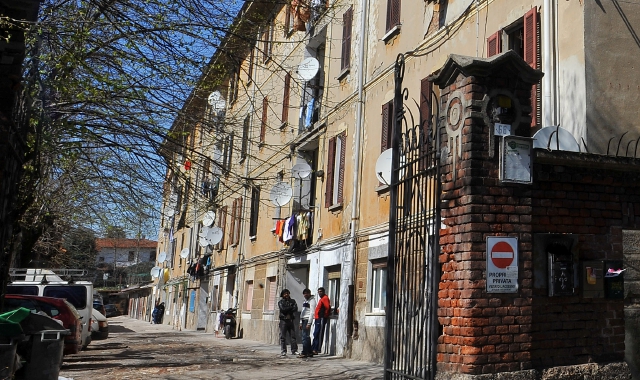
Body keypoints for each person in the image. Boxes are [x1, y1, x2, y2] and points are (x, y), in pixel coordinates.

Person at [277, 288, 298, 356]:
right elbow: (283, 310)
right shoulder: (280, 302)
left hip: (290, 320)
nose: (286, 295)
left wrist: (289, 309)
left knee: (293, 336)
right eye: (285, 293)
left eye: (287, 293)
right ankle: (283, 350)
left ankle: (294, 350)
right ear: (282, 295)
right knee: (283, 337)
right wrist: (290, 308)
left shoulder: (292, 301)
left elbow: (295, 308)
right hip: (283, 320)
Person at [311, 287, 330, 355]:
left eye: (321, 291)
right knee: (315, 333)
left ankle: (316, 349)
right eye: (319, 291)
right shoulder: (321, 299)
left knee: (318, 333)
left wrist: (324, 316)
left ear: (324, 291)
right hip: (318, 318)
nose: (320, 293)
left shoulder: (325, 298)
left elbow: (327, 308)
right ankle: (313, 348)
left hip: (321, 318)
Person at [298, 288, 316, 358]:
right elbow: (303, 312)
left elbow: (312, 312)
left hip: (307, 320)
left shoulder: (312, 301)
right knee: (306, 337)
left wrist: (309, 323)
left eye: (307, 293)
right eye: (304, 293)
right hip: (303, 319)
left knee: (305, 337)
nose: (305, 295)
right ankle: (309, 352)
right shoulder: (305, 301)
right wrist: (300, 322)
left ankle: (304, 352)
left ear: (309, 293)